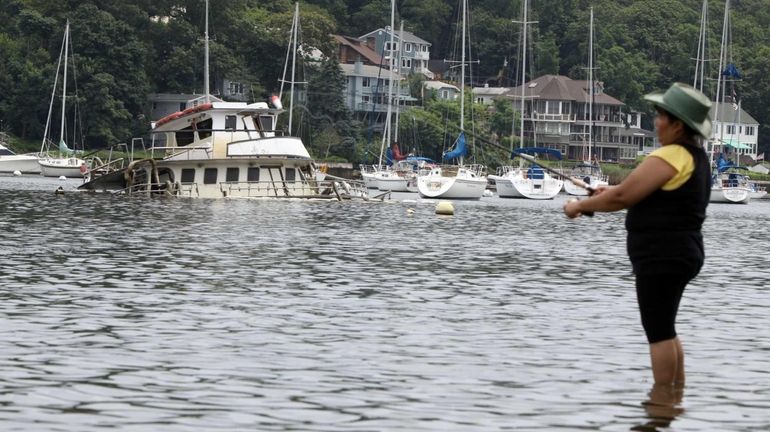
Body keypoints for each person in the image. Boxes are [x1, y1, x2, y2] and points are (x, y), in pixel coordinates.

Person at [564, 82, 712, 385]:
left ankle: (660, 404)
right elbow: (632, 191)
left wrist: (579, 206)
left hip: (663, 254)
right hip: (682, 251)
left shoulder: (671, 154)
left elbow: (622, 199)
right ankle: (674, 397)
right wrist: (608, 191)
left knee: (657, 330)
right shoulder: (693, 157)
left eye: (660, 115)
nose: (656, 122)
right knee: (666, 327)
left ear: (678, 124)